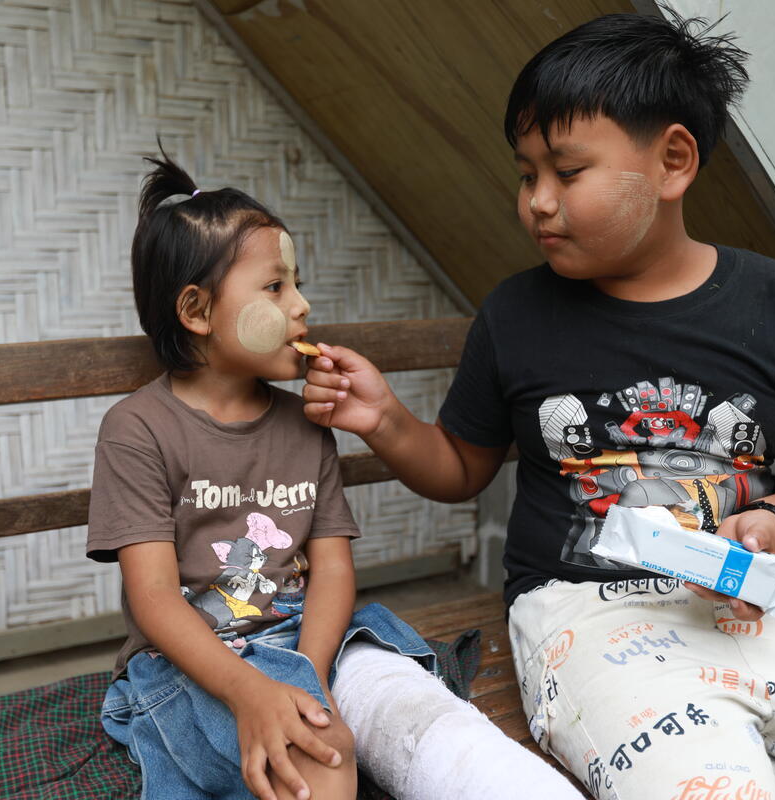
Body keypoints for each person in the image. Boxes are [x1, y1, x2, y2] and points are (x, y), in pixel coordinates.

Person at [303, 11, 775, 799]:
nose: (536, 200)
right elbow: (462, 466)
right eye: (526, 173)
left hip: (772, 598)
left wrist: (773, 524)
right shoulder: (515, 315)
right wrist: (387, 421)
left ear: (673, 161)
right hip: (586, 612)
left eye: (566, 172)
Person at [86, 150, 584, 800]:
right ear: (197, 310)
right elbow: (153, 601)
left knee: (349, 726)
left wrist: (307, 678)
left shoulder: (306, 422)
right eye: (275, 288)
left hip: (312, 639)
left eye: (296, 283)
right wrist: (251, 691)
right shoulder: (137, 430)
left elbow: (333, 569)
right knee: (314, 755)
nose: (302, 305)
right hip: (197, 659)